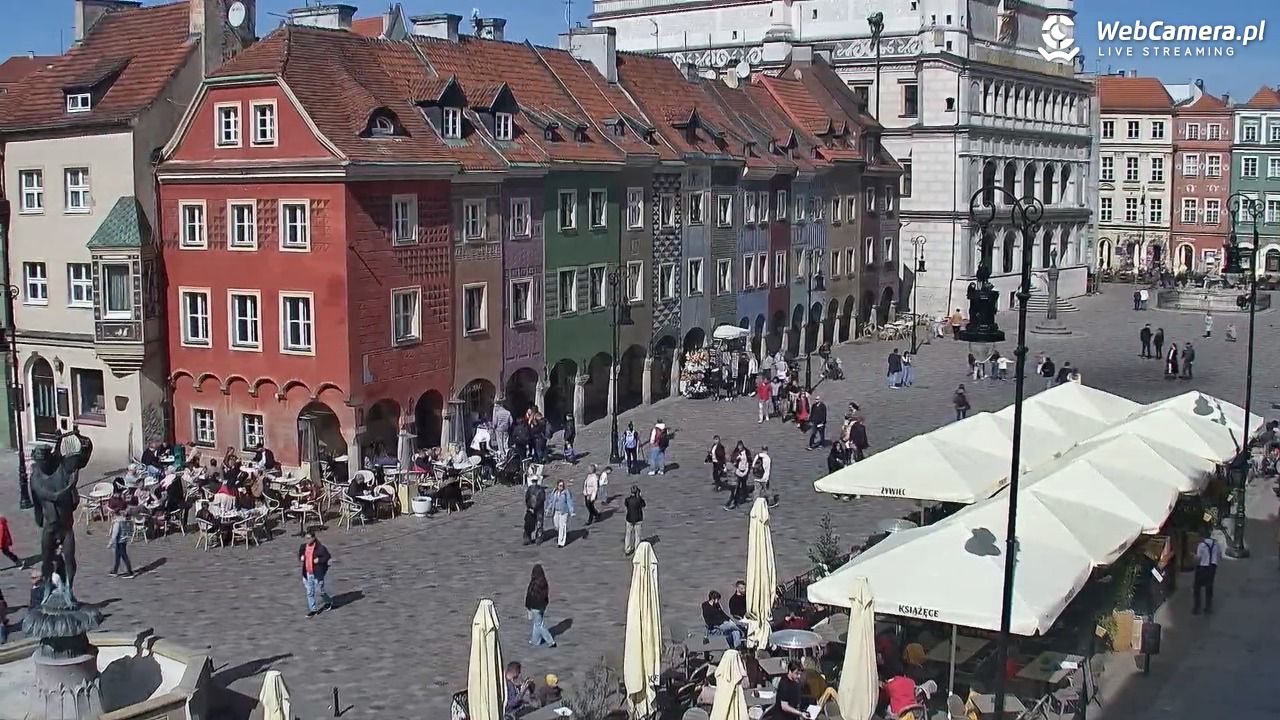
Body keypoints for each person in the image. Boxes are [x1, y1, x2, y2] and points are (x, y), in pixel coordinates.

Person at [298, 530, 333, 617]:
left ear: (313, 538)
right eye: (306, 538)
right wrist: (301, 557)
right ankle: (313, 610)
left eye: (309, 538)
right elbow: (300, 554)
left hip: (317, 573)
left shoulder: (320, 548)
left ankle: (328, 601)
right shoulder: (303, 547)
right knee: (310, 592)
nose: (307, 540)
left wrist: (319, 560)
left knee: (319, 590)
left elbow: (327, 556)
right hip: (307, 572)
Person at [525, 564, 557, 647]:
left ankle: (551, 641)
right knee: (537, 623)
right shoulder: (544, 583)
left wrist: (528, 606)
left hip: (535, 607)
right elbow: (546, 595)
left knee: (539, 625)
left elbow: (529, 596)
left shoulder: (533, 583)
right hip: (542, 606)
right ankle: (535, 641)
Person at [1192, 530, 1221, 614]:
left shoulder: (1201, 545)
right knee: (1209, 587)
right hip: (1212, 567)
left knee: (1197, 587)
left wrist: (1193, 558)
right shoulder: (1216, 544)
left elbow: (1198, 558)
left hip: (1202, 567)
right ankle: (1208, 607)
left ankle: (1197, 607)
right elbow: (1219, 555)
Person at [106, 508, 135, 579]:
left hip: (119, 541)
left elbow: (115, 534)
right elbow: (130, 530)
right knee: (118, 556)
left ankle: (130, 572)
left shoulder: (117, 523)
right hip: (124, 540)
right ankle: (115, 571)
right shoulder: (125, 521)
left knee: (124, 556)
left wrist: (110, 543)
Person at [547, 479, 575, 548]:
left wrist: (571, 511)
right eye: (560, 486)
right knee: (557, 526)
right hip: (556, 511)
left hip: (564, 512)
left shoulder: (566, 492)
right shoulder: (554, 492)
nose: (561, 487)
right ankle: (563, 532)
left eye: (562, 486)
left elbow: (569, 502)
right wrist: (548, 508)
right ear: (557, 486)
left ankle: (561, 542)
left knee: (562, 526)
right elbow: (551, 501)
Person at [523, 478, 547, 545]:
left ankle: (539, 537)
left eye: (535, 481)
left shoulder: (541, 490)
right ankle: (527, 538)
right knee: (528, 524)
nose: (534, 483)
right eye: (533, 481)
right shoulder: (529, 489)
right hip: (530, 509)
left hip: (539, 509)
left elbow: (542, 500)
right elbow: (527, 498)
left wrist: (536, 507)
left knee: (539, 524)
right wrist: (529, 507)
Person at [623, 486, 645, 556]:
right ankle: (637, 550)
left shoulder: (627, 500)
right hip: (638, 519)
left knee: (628, 535)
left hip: (629, 519)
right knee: (637, 536)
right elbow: (644, 505)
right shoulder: (639, 500)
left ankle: (627, 549)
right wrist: (640, 497)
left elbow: (626, 505)